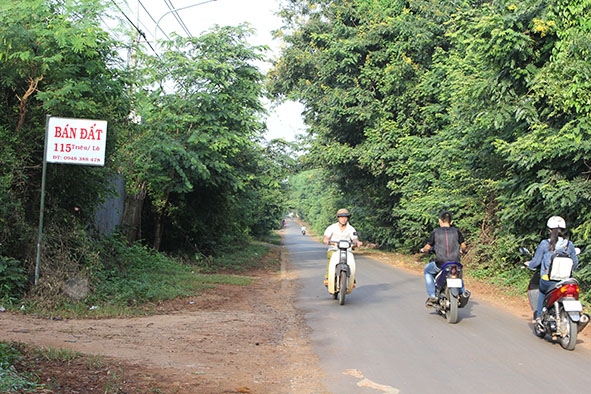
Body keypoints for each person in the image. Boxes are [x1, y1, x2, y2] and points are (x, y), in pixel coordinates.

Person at [525, 216, 579, 329]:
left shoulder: (545, 244)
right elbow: (575, 262)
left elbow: (536, 262)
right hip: (565, 281)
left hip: (548, 281)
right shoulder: (570, 245)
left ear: (549, 230)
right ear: (563, 230)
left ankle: (539, 316)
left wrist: (529, 264)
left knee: (541, 291)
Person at [419, 210, 469, 307]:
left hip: (441, 264)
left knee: (427, 271)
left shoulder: (435, 232)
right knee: (458, 275)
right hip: (455, 262)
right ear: (451, 222)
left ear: (440, 220)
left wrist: (423, 250)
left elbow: (428, 247)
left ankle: (432, 296)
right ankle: (463, 293)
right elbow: (463, 246)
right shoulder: (457, 232)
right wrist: (462, 251)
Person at [323, 208, 362, 286]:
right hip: (334, 249)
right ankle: (327, 278)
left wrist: (357, 242)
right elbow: (326, 237)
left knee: (351, 261)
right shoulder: (332, 227)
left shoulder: (351, 228)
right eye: (341, 217)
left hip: (347, 250)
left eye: (345, 217)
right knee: (331, 260)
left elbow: (354, 238)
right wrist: (326, 240)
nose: (344, 219)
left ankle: (352, 279)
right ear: (338, 218)